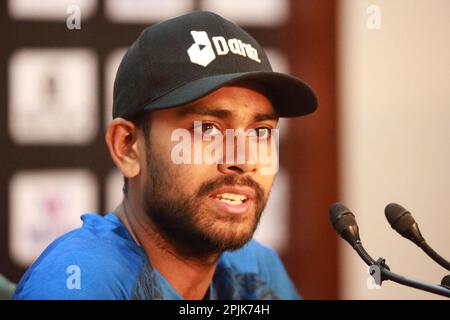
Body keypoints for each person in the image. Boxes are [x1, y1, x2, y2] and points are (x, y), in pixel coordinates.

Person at [14, 11, 317, 300]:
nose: (243, 159)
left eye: (260, 132)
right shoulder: (80, 282)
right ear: (128, 146)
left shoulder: (255, 268)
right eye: (208, 129)